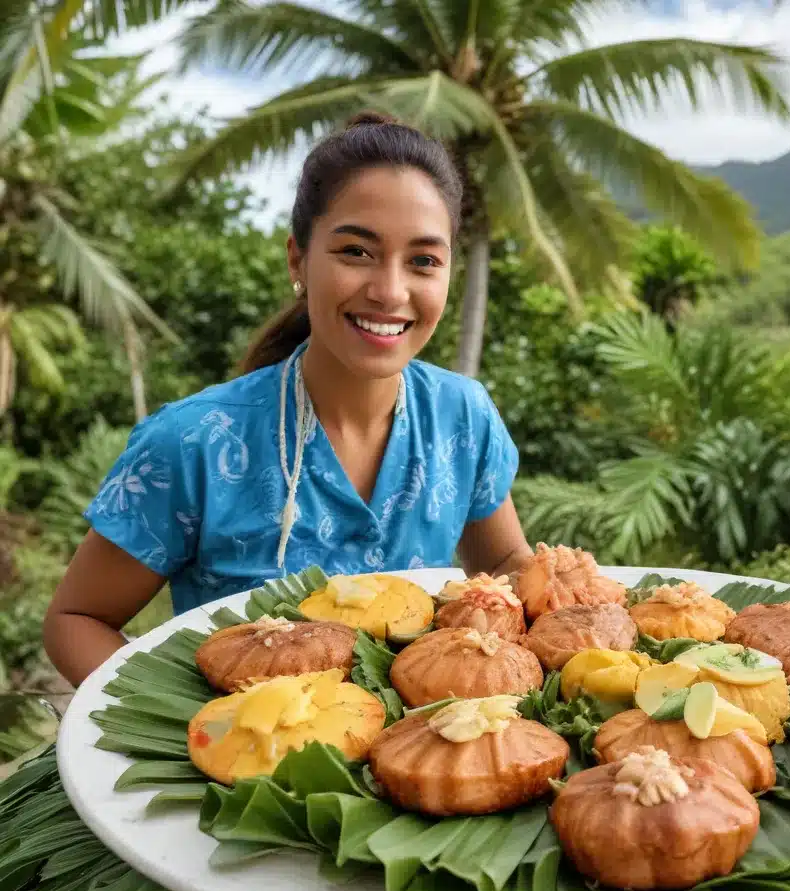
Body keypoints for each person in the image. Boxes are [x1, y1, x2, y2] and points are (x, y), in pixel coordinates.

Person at [43, 112, 534, 687]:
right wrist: (190, 727)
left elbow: (502, 565)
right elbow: (76, 619)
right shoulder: (194, 444)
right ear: (298, 259)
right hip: (247, 766)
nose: (390, 291)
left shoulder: (462, 417)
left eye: (423, 260)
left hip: (423, 759)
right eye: (356, 251)